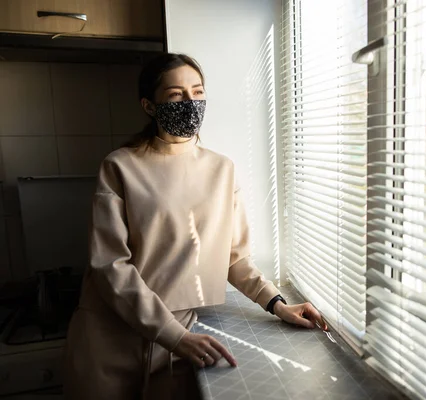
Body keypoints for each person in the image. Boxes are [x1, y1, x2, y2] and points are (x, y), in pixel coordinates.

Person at [63, 53, 326, 400]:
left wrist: (277, 304)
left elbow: (233, 258)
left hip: (179, 342)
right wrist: (174, 335)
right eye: (175, 95)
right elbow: (110, 266)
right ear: (150, 105)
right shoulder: (120, 167)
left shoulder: (221, 170)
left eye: (197, 93)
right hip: (110, 337)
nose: (190, 103)